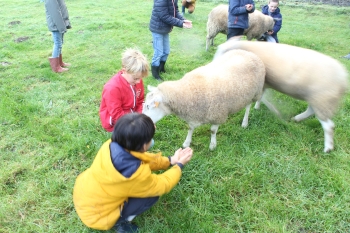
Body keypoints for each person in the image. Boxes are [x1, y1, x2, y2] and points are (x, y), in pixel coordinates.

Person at [73, 113, 194, 233]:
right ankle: (120, 222)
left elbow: (142, 157)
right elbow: (162, 185)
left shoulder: (111, 144)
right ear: (142, 146)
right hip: (98, 216)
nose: (151, 141)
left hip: (83, 195)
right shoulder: (135, 174)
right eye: (150, 139)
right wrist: (179, 165)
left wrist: (170, 160)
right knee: (152, 195)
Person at [99, 48, 149, 132]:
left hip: (132, 116)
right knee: (143, 141)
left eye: (140, 78)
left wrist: (142, 119)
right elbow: (116, 114)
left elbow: (140, 101)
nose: (138, 81)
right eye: (135, 78)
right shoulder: (112, 88)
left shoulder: (137, 80)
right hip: (116, 123)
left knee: (148, 136)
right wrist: (135, 125)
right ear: (124, 71)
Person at [149, 0, 193, 81]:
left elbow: (175, 11)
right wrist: (180, 23)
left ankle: (161, 68)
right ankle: (155, 74)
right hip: (157, 28)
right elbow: (164, 16)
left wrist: (183, 20)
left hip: (165, 28)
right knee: (158, 52)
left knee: (166, 51)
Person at [44, 0, 72, 73]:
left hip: (60, 23)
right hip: (56, 25)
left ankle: (60, 63)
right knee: (58, 43)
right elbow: (55, 13)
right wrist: (61, 26)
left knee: (60, 43)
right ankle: (56, 67)